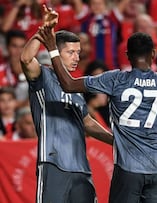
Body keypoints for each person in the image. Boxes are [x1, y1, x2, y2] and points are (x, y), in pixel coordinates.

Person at [37, 14, 157, 202]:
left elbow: (69, 85)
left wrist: (53, 50)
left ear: (127, 56)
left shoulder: (115, 79)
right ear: (153, 54)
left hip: (128, 168)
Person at [20, 6, 113, 203]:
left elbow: (87, 122)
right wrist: (43, 31)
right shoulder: (42, 76)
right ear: (55, 51)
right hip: (52, 164)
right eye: (71, 52)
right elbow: (26, 59)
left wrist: (116, 142)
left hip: (81, 168)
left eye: (78, 52)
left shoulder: (75, 87)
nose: (76, 58)